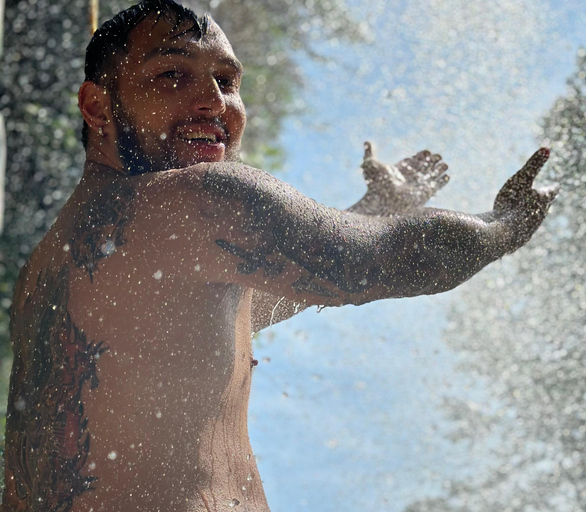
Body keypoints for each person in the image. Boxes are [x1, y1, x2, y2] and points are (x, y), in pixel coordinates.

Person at [1, 0, 557, 510]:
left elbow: (252, 302)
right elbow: (377, 261)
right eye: (172, 75)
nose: (214, 102)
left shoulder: (59, 263)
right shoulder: (200, 199)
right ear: (96, 106)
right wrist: (503, 228)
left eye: (227, 81)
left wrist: (376, 204)